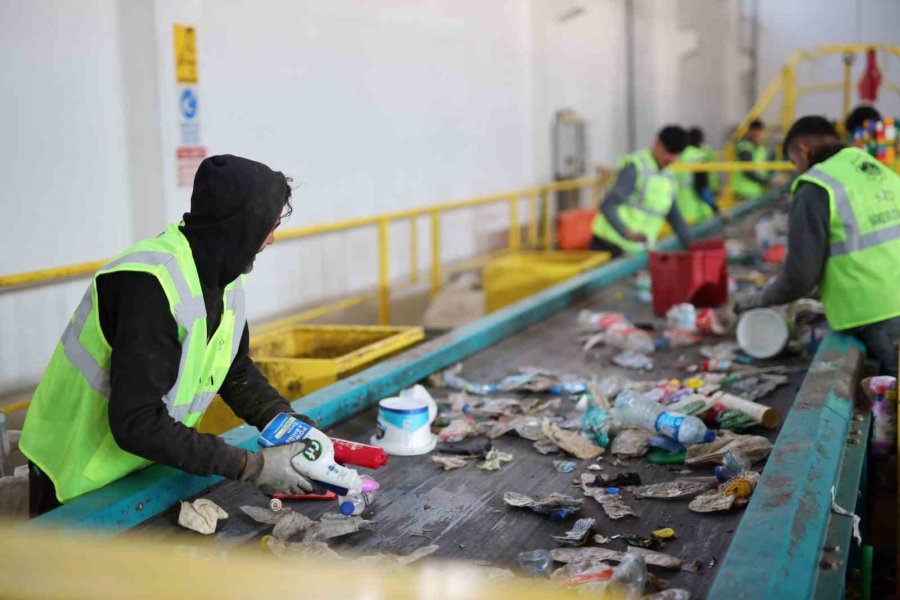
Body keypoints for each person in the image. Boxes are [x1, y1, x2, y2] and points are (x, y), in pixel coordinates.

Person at [20, 155, 320, 516]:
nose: (271, 239)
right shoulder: (149, 284)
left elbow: (234, 370)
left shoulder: (224, 278)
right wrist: (250, 466)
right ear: (240, 224)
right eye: (268, 226)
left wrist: (286, 423)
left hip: (142, 466)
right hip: (76, 475)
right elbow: (137, 422)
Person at [734, 116, 900, 376]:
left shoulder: (817, 186)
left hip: (873, 312)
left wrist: (758, 299)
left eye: (793, 161)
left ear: (803, 150)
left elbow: (800, 278)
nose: (797, 169)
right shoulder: (875, 169)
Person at [590, 125, 692, 258]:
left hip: (636, 250)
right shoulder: (635, 168)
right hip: (609, 246)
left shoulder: (669, 178)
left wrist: (692, 246)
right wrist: (626, 232)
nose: (671, 159)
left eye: (676, 155)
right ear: (657, 144)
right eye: (668, 152)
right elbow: (608, 205)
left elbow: (673, 215)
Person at [676, 127, 719, 223]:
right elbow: (701, 186)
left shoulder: (679, 156)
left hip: (678, 212)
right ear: (700, 141)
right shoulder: (698, 157)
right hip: (695, 212)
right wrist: (716, 208)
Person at [732, 119, 771, 201]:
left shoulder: (759, 149)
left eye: (759, 132)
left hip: (755, 191)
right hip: (744, 192)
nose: (758, 135)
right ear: (749, 132)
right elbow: (748, 171)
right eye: (755, 132)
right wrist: (767, 182)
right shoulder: (745, 147)